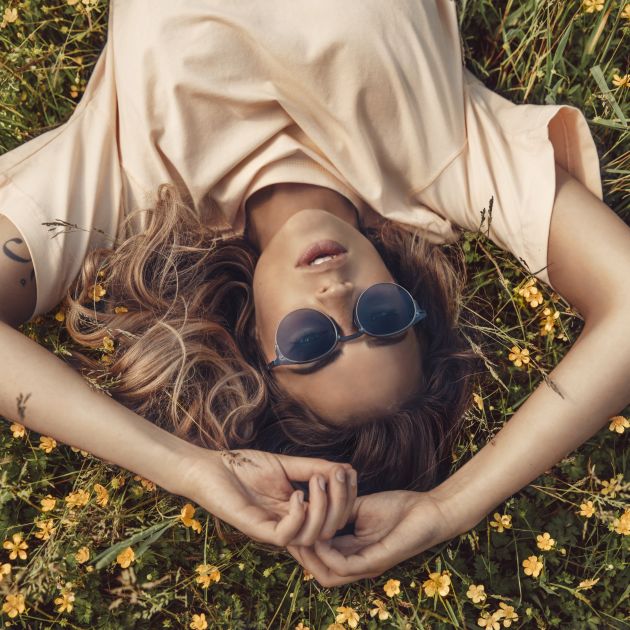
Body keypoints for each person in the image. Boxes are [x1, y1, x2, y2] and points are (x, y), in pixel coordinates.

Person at [1, 1, 628, 586]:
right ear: (406, 296)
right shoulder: (447, 164)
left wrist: (187, 468)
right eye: (380, 317)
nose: (336, 295)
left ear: (249, 336)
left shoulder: (129, 189)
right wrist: (450, 506)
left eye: (310, 341)